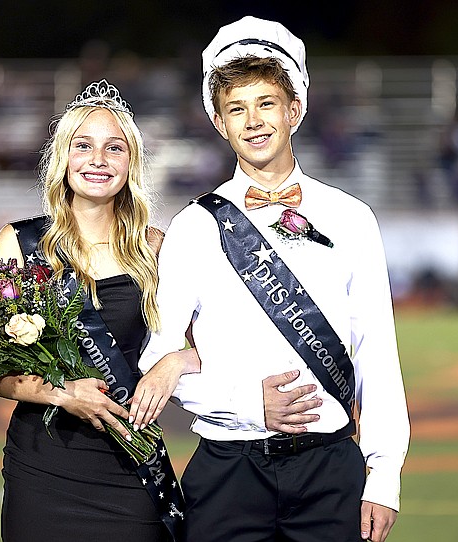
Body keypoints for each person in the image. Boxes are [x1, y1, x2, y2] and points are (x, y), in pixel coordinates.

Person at [131, 16, 410, 542]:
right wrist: (246, 402)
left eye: (266, 104)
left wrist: (385, 474)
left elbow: (377, 352)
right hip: (227, 472)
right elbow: (157, 360)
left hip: (331, 470)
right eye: (236, 109)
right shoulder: (194, 225)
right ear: (219, 122)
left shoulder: (353, 219)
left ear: (295, 110)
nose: (253, 121)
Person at [0, 79, 190, 541]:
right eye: (84, 145)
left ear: (131, 162)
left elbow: (211, 342)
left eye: (114, 148)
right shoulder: (20, 242)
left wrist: (176, 361)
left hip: (129, 465)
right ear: (64, 158)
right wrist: (62, 394)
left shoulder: (159, 249)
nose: (98, 159)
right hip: (42, 467)